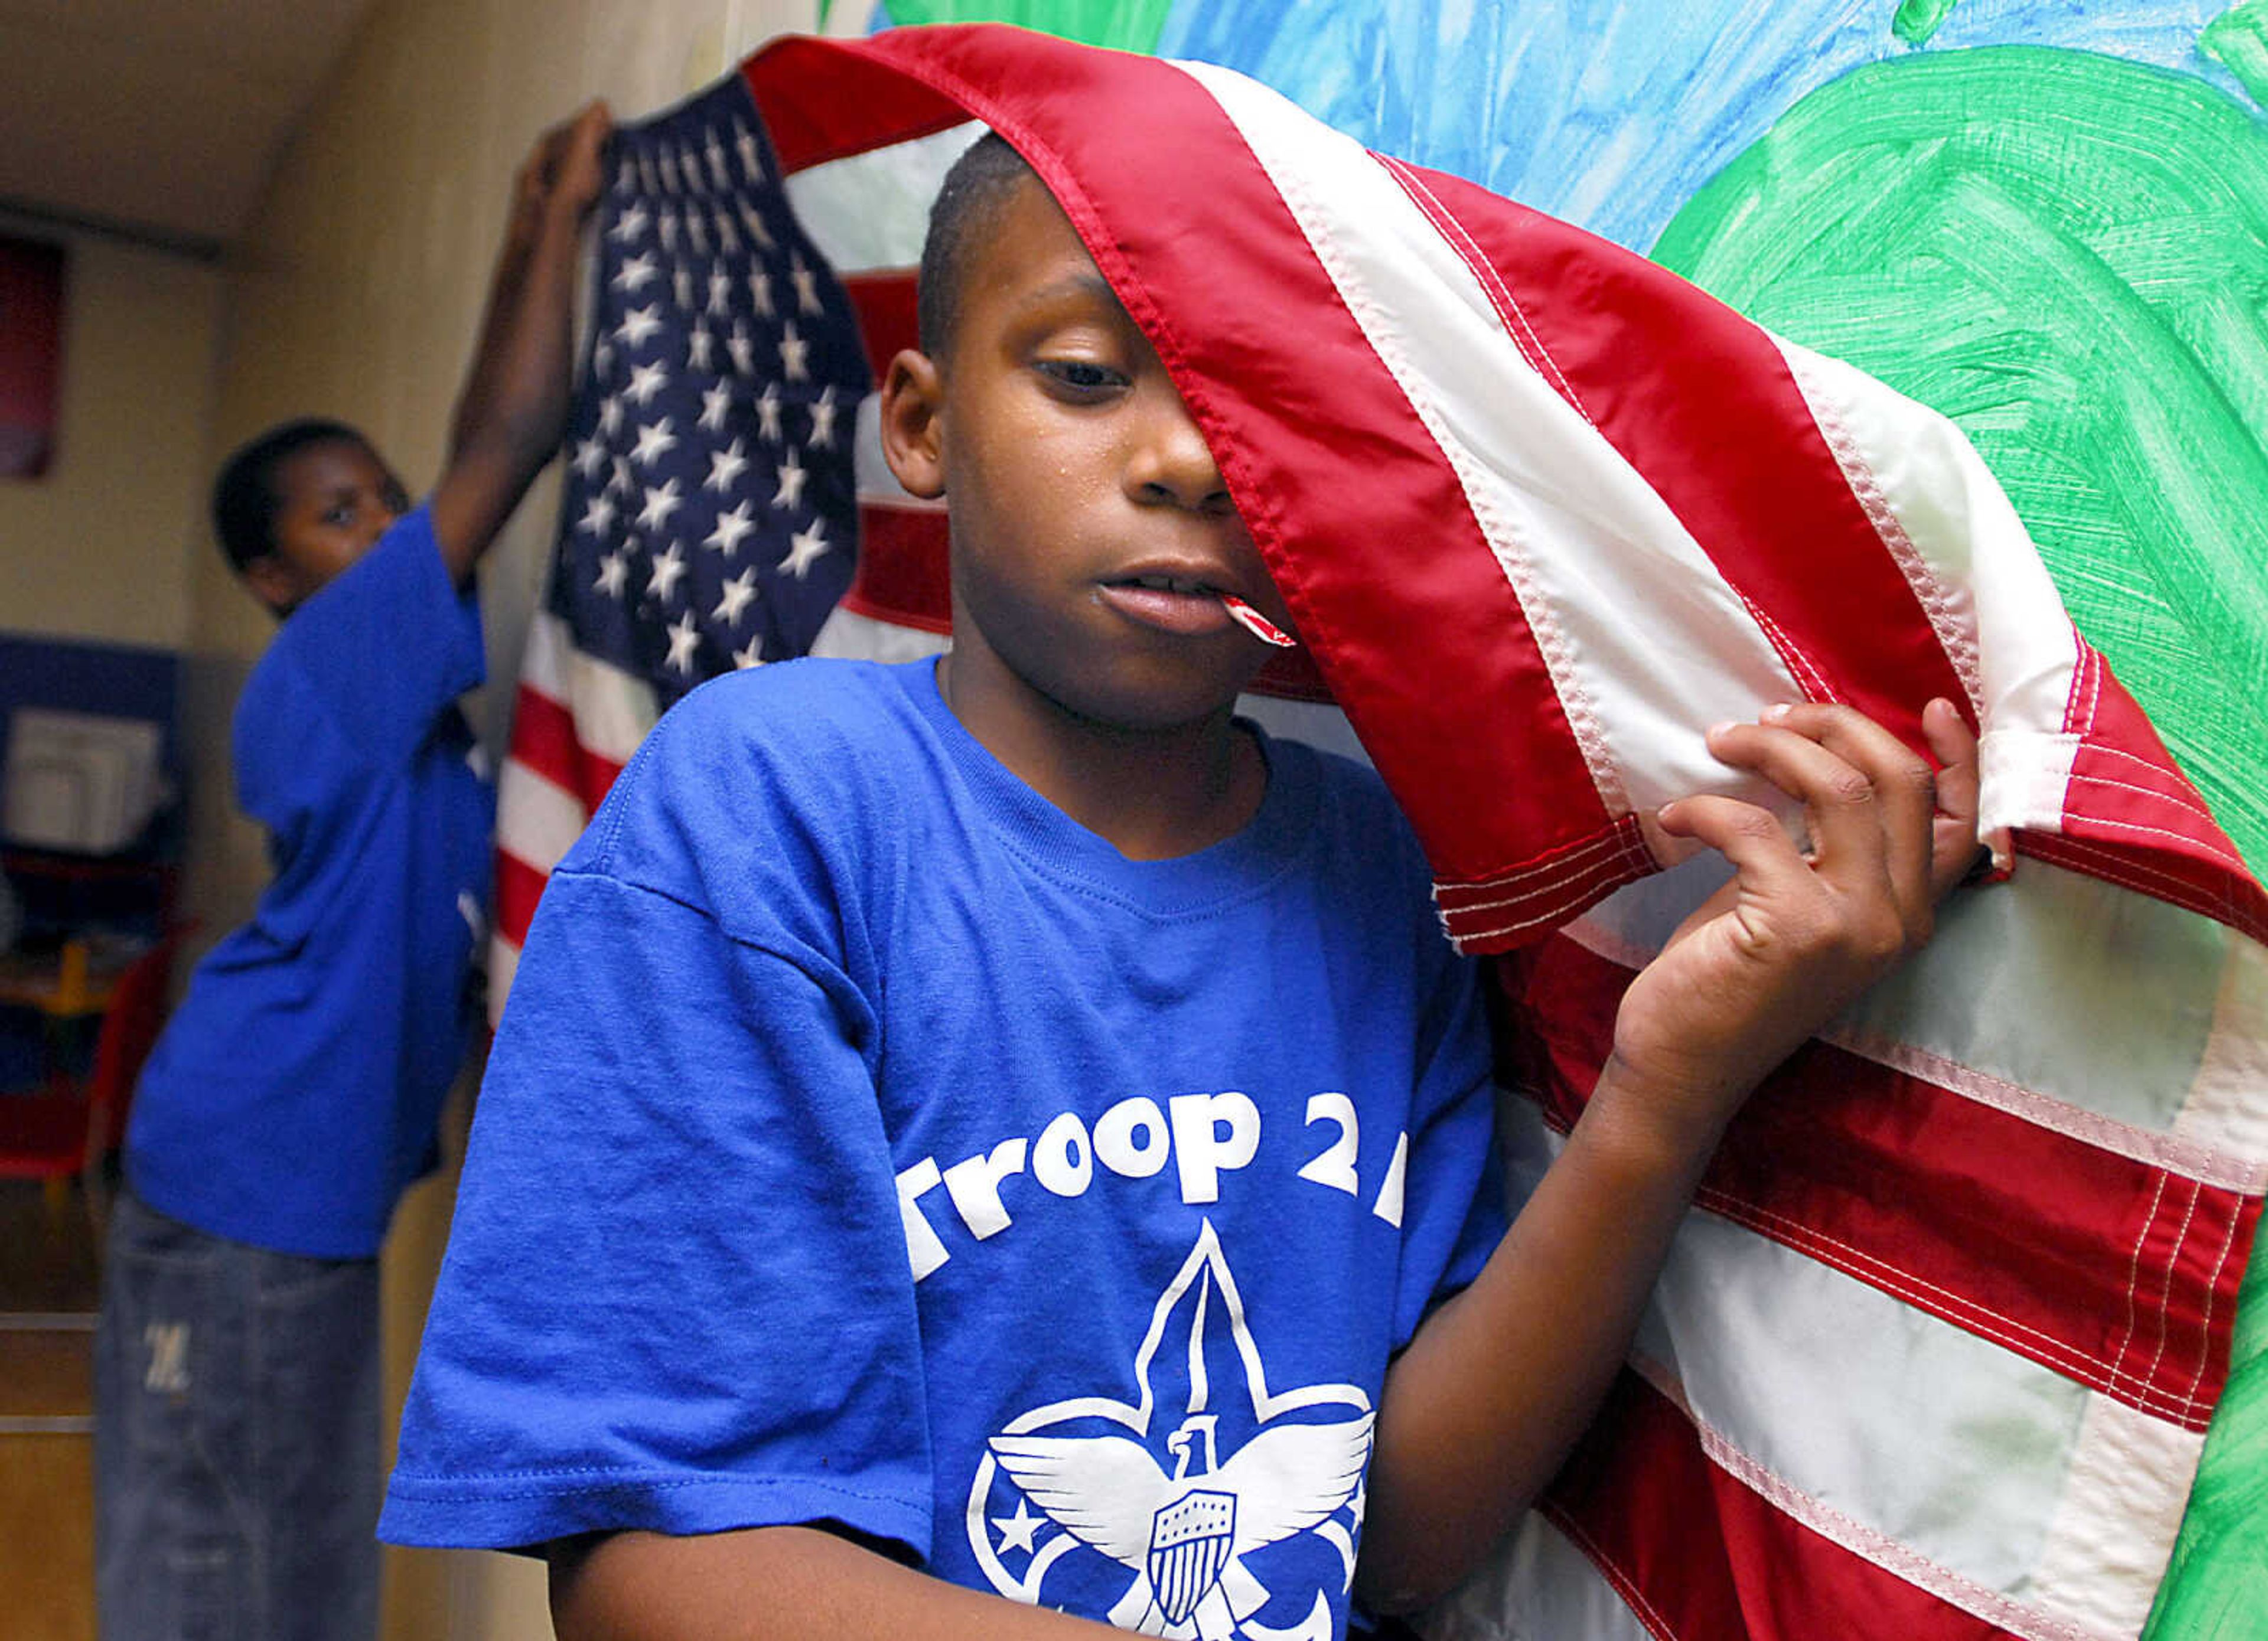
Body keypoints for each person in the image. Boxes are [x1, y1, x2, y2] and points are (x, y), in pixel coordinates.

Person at [379, 134, 1983, 1639]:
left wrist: (1662, 1093)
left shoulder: (1377, 866)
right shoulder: (769, 805)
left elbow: (1386, 1527)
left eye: (1264, 401)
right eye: (1084, 376)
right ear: (924, 425)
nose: (1192, 457)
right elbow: (657, 1570)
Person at [93, 102, 611, 1641]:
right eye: (341, 515)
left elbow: (460, 455)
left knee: (291, 1551)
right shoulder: (327, 673)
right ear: (273, 581)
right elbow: (504, 444)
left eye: (383, 497)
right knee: (220, 1569)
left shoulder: (398, 703)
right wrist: (570, 221)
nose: (384, 524)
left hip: (286, 1203)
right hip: (243, 1192)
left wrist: (519, 235)